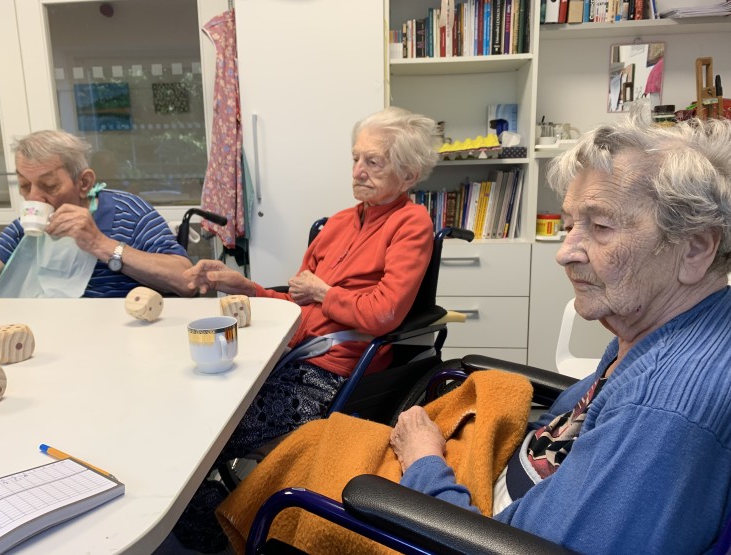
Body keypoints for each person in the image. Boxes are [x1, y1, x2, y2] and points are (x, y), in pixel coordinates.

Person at [214, 104, 731, 555]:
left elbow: (507, 544)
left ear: (695, 248)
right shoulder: (663, 331)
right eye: (571, 224)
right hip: (495, 473)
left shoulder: (665, 410)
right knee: (317, 437)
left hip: (466, 519)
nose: (566, 252)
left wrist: (425, 462)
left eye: (600, 226)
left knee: (294, 472)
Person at [171, 106, 438, 553]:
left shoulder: (411, 224)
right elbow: (298, 305)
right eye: (356, 158)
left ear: (408, 175)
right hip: (291, 358)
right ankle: (221, 517)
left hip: (331, 375)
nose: (358, 171)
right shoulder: (335, 224)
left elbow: (385, 313)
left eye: (373, 162)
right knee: (193, 407)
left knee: (207, 435)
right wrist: (247, 287)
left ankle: (221, 529)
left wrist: (324, 291)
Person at [0, 130, 194, 297]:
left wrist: (99, 243)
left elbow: (186, 281)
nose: (35, 199)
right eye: (25, 185)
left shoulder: (128, 212)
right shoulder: (26, 225)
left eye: (49, 185)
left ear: (84, 183)